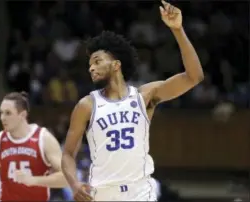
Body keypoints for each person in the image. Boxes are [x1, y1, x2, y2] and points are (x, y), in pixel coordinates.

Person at [61, 1, 204, 201]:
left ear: (116, 64)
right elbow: (67, 153)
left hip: (140, 192)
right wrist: (74, 184)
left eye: (97, 61)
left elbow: (193, 76)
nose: (91, 68)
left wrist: (178, 30)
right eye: (89, 64)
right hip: (102, 193)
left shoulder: (145, 96)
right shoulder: (87, 105)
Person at [0, 92, 68, 201]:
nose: (2, 118)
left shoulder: (43, 139)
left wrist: (33, 180)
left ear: (23, 115)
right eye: (1, 113)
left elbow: (66, 178)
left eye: (8, 113)